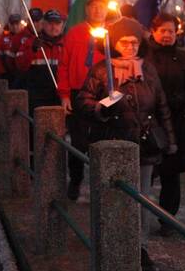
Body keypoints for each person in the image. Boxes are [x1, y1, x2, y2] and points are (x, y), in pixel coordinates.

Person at [75, 17, 176, 270]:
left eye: (134, 42)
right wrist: (100, 107)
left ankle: (140, 247)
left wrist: (170, 139)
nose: (130, 47)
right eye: (124, 42)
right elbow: (82, 101)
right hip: (112, 141)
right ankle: (109, 241)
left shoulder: (148, 70)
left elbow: (162, 105)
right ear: (114, 43)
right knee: (112, 194)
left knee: (142, 197)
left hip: (144, 144)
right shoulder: (101, 70)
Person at [145, 12, 185, 236]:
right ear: (154, 32)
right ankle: (139, 215)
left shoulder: (184, 58)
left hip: (176, 122)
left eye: (171, 31)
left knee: (171, 174)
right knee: (148, 170)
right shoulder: (144, 56)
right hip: (150, 123)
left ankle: (168, 219)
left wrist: (178, 101)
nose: (167, 35)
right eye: (163, 30)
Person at [57, 0, 109, 201]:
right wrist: (65, 95)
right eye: (93, 6)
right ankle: (76, 181)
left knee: (102, 140)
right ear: (87, 9)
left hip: (103, 93)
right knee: (78, 142)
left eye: (102, 6)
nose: (97, 10)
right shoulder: (74, 33)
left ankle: (102, 186)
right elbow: (64, 66)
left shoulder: (111, 32)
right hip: (79, 93)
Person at [16, 9, 65, 111]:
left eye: (57, 24)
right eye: (50, 24)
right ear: (43, 24)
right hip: (37, 97)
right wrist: (33, 49)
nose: (53, 27)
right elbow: (20, 65)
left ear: (62, 26)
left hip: (59, 95)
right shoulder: (31, 42)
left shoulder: (66, 44)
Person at [10, 8, 43, 89]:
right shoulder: (18, 37)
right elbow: (12, 60)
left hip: (42, 81)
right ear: (28, 21)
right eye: (32, 21)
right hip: (24, 80)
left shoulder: (46, 37)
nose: (35, 24)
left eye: (37, 21)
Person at [0, 13, 22, 82]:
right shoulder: (3, 39)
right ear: (9, 24)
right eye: (12, 24)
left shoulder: (26, 38)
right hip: (8, 75)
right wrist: (2, 72)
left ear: (20, 24)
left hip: (23, 75)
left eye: (17, 24)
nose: (15, 27)